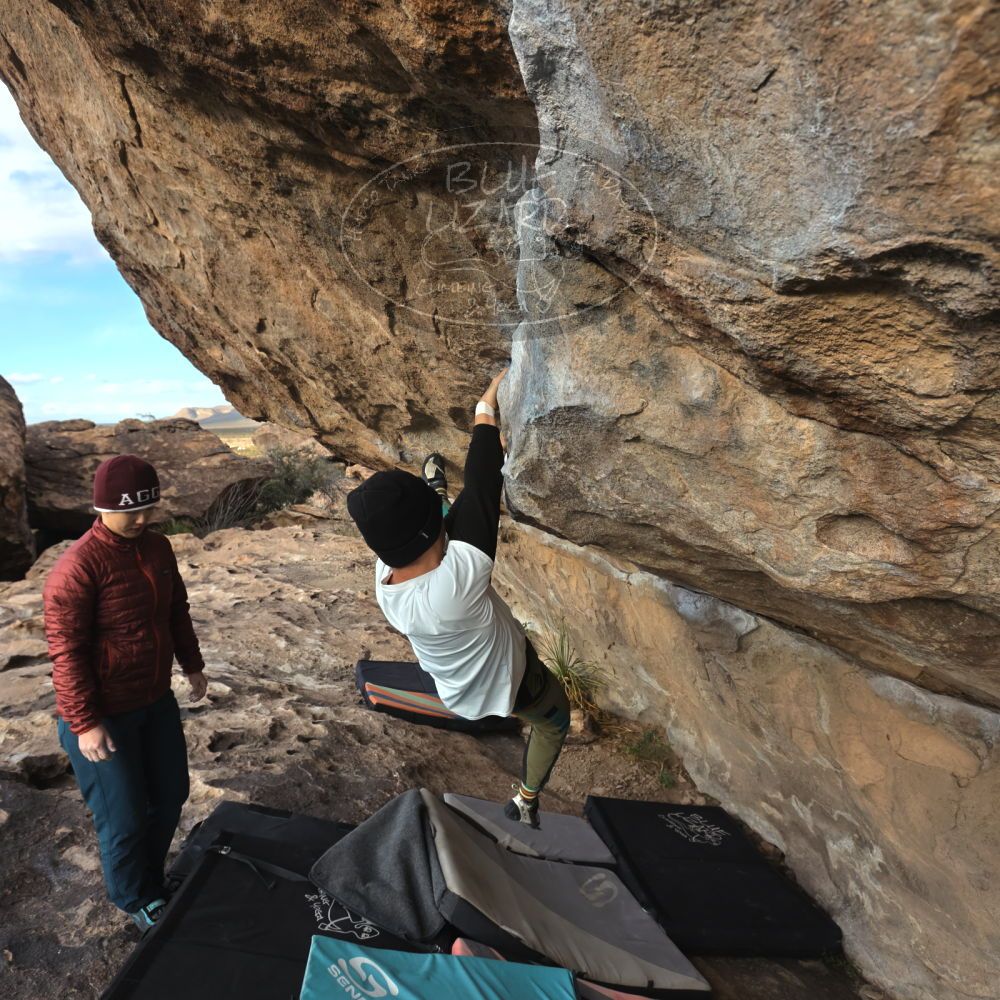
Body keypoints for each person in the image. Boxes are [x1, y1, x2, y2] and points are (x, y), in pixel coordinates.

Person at [347, 369, 570, 827]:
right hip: (511, 681)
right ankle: (526, 800)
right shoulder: (456, 584)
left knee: (449, 530)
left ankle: (435, 492)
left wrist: (438, 499)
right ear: (429, 529)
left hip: (457, 684)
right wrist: (485, 407)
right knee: (555, 719)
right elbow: (482, 484)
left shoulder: (385, 574)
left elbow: (448, 532)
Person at [43, 455, 207, 933]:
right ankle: (134, 897)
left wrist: (192, 665)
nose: (140, 519)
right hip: (103, 714)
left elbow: (176, 610)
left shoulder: (158, 547)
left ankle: (149, 880)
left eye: (147, 508)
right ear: (101, 508)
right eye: (128, 511)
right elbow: (66, 651)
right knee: (124, 817)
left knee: (171, 794)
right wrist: (84, 722)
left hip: (154, 700)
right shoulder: (77, 568)